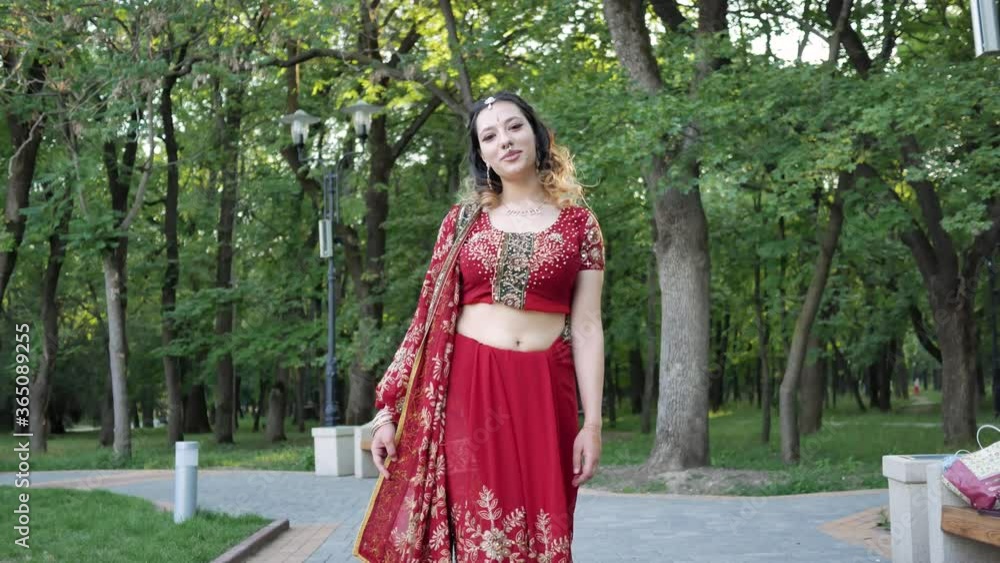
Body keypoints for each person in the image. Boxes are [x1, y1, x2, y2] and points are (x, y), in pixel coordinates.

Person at [353, 91, 606, 562]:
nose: (504, 141)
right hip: (471, 390)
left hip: (545, 393)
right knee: (481, 533)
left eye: (514, 127)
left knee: (544, 531)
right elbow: (426, 322)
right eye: (489, 136)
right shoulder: (462, 223)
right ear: (481, 154)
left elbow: (588, 327)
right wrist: (390, 410)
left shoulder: (580, 226)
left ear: (537, 135)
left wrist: (591, 425)